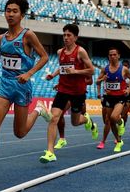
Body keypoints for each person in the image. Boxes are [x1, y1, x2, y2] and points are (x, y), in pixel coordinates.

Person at [0, 0, 50, 188]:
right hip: (5, 85)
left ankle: (38, 111)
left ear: (22, 15)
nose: (10, 14)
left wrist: (29, 73)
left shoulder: (28, 35)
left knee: (20, 132)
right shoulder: (1, 38)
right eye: (8, 10)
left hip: (22, 86)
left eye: (15, 11)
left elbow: (44, 57)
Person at [40, 24, 97, 163]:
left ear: (75, 37)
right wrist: (53, 75)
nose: (65, 38)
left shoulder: (80, 51)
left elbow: (92, 70)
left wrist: (76, 72)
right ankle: (50, 152)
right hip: (63, 90)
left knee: (75, 122)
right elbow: (62, 68)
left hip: (77, 92)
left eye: (69, 35)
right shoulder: (60, 52)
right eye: (64, 35)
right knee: (54, 118)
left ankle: (87, 119)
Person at [95, 48, 130, 152]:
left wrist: (129, 89)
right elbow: (97, 82)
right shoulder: (105, 69)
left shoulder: (123, 69)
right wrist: (101, 81)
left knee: (113, 117)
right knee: (110, 121)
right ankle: (118, 141)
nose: (112, 56)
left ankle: (121, 122)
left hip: (120, 98)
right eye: (110, 55)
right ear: (108, 57)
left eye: (114, 54)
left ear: (118, 56)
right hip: (108, 98)